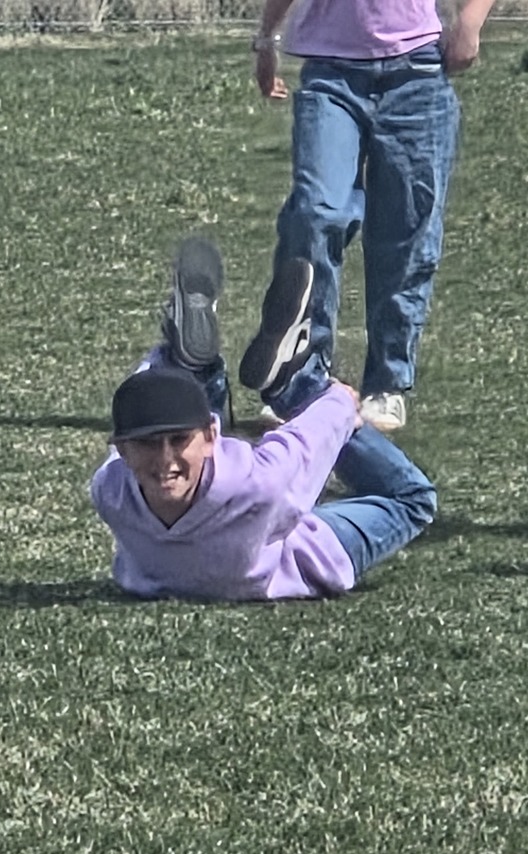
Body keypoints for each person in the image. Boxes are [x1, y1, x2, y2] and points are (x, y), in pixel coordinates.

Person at [90, 239, 436, 601]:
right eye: (148, 443)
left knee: (165, 416)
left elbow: (140, 400)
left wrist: (163, 360)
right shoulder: (261, 485)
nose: (164, 458)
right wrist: (335, 402)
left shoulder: (110, 492)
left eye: (176, 441)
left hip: (205, 555)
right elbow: (307, 443)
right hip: (294, 557)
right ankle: (293, 387)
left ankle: (193, 367)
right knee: (413, 498)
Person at [250, 0, 497, 430]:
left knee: (406, 231)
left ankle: (387, 383)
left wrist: (470, 24)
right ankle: (304, 377)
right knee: (314, 213)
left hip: (417, 72)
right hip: (330, 73)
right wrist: (266, 38)